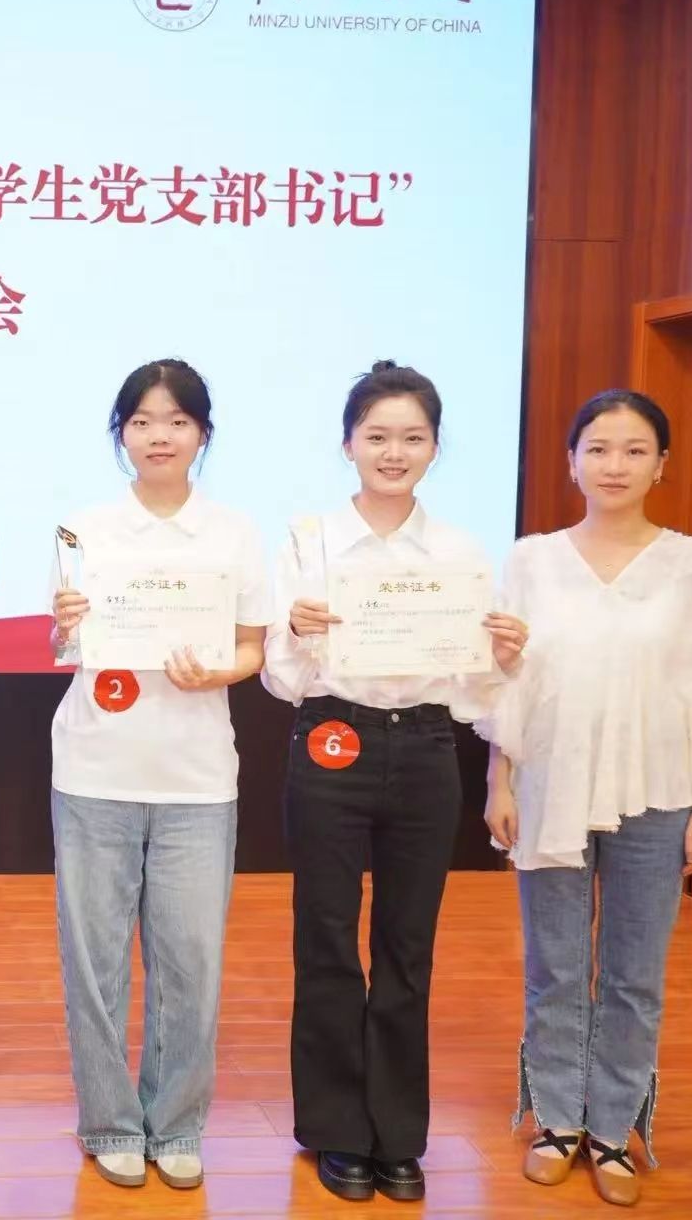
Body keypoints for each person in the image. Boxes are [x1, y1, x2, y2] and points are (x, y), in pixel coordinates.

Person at [261, 360, 527, 1203]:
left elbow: (474, 692)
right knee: (328, 937)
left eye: (412, 437)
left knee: (408, 946)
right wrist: (296, 632)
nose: (393, 452)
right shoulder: (308, 541)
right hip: (332, 737)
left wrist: (501, 657)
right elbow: (280, 679)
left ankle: (399, 1134)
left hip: (426, 748)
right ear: (347, 444)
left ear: (436, 448)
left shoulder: (459, 553)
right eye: (376, 436)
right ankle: (337, 1130)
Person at [481, 389, 692, 1208]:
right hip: (550, 783)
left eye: (635, 450)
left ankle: (614, 1127)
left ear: (661, 464)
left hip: (658, 791)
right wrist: (500, 778)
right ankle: (558, 1119)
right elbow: (505, 676)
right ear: (571, 462)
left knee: (635, 971)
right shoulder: (532, 560)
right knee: (555, 965)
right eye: (598, 448)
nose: (615, 465)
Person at [47, 359, 269, 1191]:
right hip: (95, 766)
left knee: (190, 962)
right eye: (141, 421)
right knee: (94, 960)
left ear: (202, 433)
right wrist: (65, 626)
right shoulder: (82, 530)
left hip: (196, 779)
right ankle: (109, 1120)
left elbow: (253, 647)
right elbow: (65, 648)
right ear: (122, 434)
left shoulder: (234, 533)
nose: (159, 436)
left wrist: (221, 671)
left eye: (177, 421)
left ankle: (176, 1124)